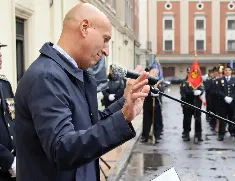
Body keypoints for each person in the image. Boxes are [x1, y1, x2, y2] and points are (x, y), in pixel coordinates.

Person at [14, 3, 150, 181]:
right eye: (106, 39)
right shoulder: (46, 76)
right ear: (84, 28)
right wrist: (122, 118)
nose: (107, 51)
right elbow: (62, 149)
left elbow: (89, 125)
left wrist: (125, 103)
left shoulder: (79, 74)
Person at [0, 42, 16, 181]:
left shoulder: (4, 84)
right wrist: (8, 160)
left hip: (12, 170)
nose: (0, 55)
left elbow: (13, 120)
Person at [216, 65, 235, 141]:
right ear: (224, 71)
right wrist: (225, 97)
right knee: (222, 118)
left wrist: (231, 97)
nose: (227, 72)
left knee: (234, 118)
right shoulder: (220, 80)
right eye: (226, 70)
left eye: (229, 70)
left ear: (231, 71)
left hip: (233, 102)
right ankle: (221, 134)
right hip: (223, 102)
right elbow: (218, 90)